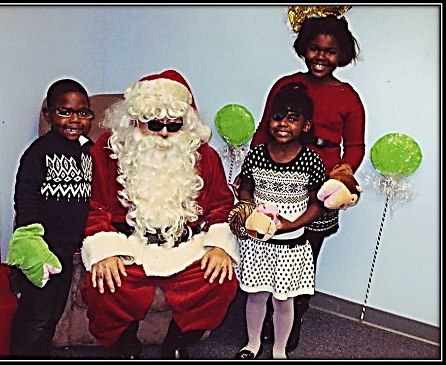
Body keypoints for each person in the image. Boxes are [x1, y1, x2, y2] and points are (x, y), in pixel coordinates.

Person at [79, 69, 240, 360]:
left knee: (221, 280)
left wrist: (218, 246)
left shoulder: (203, 154)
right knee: (104, 284)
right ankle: (125, 339)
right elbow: (93, 206)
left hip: (184, 246)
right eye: (154, 124)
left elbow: (221, 205)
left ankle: (178, 338)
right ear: (136, 120)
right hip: (128, 245)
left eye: (174, 125)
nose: (164, 133)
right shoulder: (107, 149)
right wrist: (105, 251)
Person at [233, 14, 366, 352]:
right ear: (303, 50)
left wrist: (344, 174)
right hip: (276, 183)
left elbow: (354, 146)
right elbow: (264, 130)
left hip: (319, 190)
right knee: (263, 250)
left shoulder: (348, 97)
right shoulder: (285, 85)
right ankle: (256, 320)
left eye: (330, 51)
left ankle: (293, 317)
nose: (321, 57)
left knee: (303, 259)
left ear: (342, 55)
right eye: (314, 49)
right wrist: (252, 173)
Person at [230, 82, 326, 359]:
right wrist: (247, 208)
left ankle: (280, 349)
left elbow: (316, 203)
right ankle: (252, 343)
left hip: (291, 246)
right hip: (259, 244)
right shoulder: (257, 154)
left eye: (292, 119)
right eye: (277, 117)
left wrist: (291, 225)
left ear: (305, 126)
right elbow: (246, 186)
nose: (283, 124)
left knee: (284, 299)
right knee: (256, 295)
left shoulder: (311, 160)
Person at [8, 78, 94, 358]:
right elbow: (25, 197)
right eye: (64, 111)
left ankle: (40, 353)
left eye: (82, 112)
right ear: (49, 114)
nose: (74, 120)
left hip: (67, 251)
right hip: (42, 251)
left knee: (52, 313)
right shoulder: (38, 153)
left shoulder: (89, 151)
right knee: (36, 314)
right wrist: (31, 239)